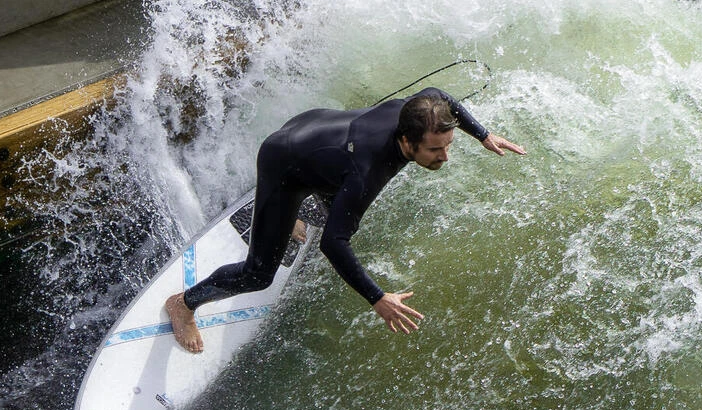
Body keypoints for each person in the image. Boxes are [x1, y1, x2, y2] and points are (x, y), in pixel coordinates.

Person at [165, 87, 525, 353]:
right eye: (435, 149)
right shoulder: (366, 172)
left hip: (316, 129)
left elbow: (440, 95)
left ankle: (293, 214)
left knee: (336, 205)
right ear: (406, 141)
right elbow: (333, 244)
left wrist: (483, 134)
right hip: (284, 162)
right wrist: (378, 298)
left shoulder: (418, 111)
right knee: (259, 274)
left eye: (447, 145)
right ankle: (184, 303)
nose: (444, 156)